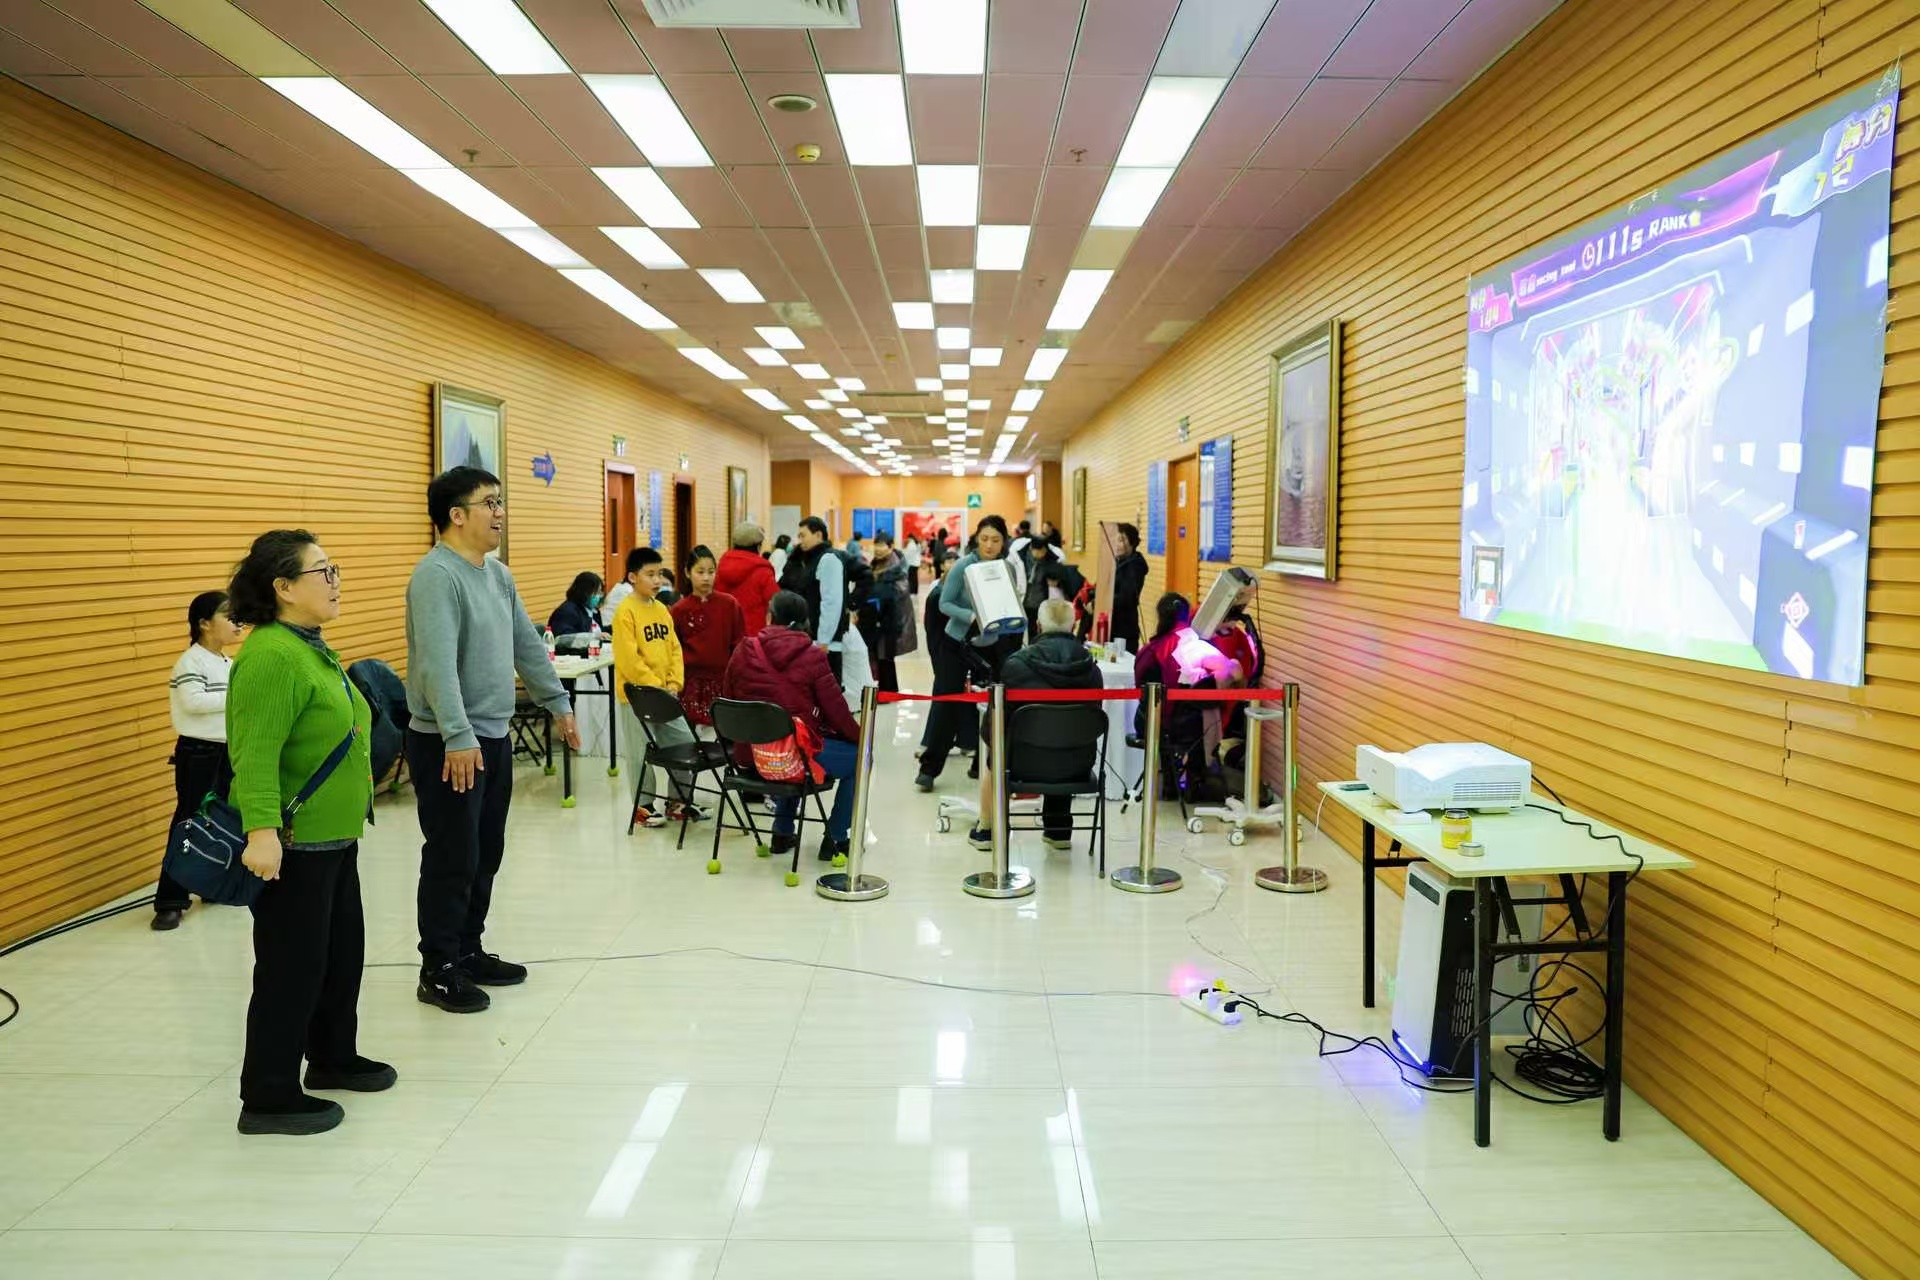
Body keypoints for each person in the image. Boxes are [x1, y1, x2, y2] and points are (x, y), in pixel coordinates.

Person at [225, 530, 388, 1136]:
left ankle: (332, 1056)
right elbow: (255, 753)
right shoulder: (270, 655)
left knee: (339, 957)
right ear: (284, 587)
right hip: (294, 842)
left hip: (333, 838)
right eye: (323, 571)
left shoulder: (308, 646)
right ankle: (267, 1095)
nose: (335, 580)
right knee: (290, 969)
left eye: (333, 568)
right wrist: (261, 831)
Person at [406, 467, 578, 1016]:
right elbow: (436, 666)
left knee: (486, 852)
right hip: (450, 743)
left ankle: (468, 950)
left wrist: (557, 702)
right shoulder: (437, 576)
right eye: (490, 503)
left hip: (493, 736)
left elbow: (526, 643)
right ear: (456, 515)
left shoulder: (498, 575)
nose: (500, 512)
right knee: (453, 856)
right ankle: (438, 968)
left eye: (500, 502)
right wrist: (457, 734)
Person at [722, 591, 863, 861]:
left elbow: (728, 699)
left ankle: (782, 832)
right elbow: (836, 711)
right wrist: (861, 739)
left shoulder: (743, 650)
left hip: (751, 758)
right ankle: (836, 838)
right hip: (791, 760)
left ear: (770, 617)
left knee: (789, 738)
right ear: (805, 622)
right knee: (857, 758)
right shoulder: (812, 656)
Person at [969, 598, 1102, 852]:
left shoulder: (1016, 665)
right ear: (1073, 627)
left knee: (995, 752)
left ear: (1038, 626)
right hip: (1077, 764)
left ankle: (987, 830)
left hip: (1022, 763)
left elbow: (994, 728)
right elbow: (1090, 722)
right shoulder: (1092, 669)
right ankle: (1058, 829)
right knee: (1065, 736)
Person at [155, 590, 244, 931]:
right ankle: (170, 901)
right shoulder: (191, 661)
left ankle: (211, 884)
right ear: (204, 623)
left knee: (222, 820)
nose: (237, 622)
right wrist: (238, 695)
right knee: (190, 821)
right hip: (199, 753)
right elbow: (193, 702)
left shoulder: (227, 662)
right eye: (228, 615)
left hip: (226, 751)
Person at [916, 514, 1015, 791]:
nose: (989, 545)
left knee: (996, 703)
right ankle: (929, 768)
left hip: (993, 642)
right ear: (976, 539)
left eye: (995, 540)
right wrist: (971, 616)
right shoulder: (963, 566)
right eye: (984, 539)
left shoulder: (1006, 567)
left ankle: (982, 762)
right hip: (957, 641)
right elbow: (944, 603)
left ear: (1003, 542)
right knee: (947, 702)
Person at [610, 546, 699, 826]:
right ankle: (644, 807)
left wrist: (673, 683)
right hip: (637, 697)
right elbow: (629, 660)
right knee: (640, 753)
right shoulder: (625, 612)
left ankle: (678, 802)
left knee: (685, 742)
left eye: (659, 573)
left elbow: (675, 649)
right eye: (650, 574)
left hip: (666, 694)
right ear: (632, 577)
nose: (657, 580)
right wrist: (655, 686)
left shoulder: (661, 610)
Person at [671, 544, 744, 729]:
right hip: (690, 683)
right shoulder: (678, 610)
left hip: (723, 680)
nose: (706, 577)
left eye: (711, 572)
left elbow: (739, 644)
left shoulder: (729, 604)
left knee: (724, 733)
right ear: (687, 573)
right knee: (692, 735)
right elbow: (673, 649)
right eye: (700, 571)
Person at [866, 530, 915, 694]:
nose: (878, 549)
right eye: (876, 545)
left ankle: (888, 692)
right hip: (877, 616)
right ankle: (886, 690)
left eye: (882, 545)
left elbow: (900, 590)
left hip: (890, 617)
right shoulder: (876, 563)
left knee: (885, 655)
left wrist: (875, 591)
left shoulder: (896, 566)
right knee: (879, 655)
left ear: (891, 546)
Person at [716, 522, 778, 634]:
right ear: (758, 546)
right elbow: (775, 603)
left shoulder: (721, 567)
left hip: (726, 633)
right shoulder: (763, 571)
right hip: (755, 636)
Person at [1109, 522, 1148, 655]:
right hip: (1111, 624)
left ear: (1132, 543)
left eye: (1121, 540)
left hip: (1124, 628)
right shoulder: (1116, 562)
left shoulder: (1135, 566)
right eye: (1115, 539)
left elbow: (1126, 598)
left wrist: (1102, 602)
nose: (1116, 544)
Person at [547, 572, 602, 647]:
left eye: (600, 592)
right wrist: (594, 637)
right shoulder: (567, 612)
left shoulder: (591, 610)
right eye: (596, 593)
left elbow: (598, 630)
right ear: (585, 592)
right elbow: (563, 639)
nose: (599, 596)